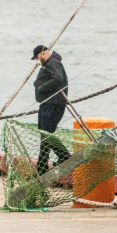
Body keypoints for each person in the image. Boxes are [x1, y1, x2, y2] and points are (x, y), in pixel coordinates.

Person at [31, 44, 71, 176]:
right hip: (47, 104)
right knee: (45, 136)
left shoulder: (53, 63)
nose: (38, 61)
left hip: (52, 105)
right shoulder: (50, 64)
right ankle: (42, 169)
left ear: (43, 54)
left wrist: (41, 87)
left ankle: (64, 156)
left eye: (37, 58)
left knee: (46, 135)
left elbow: (57, 79)